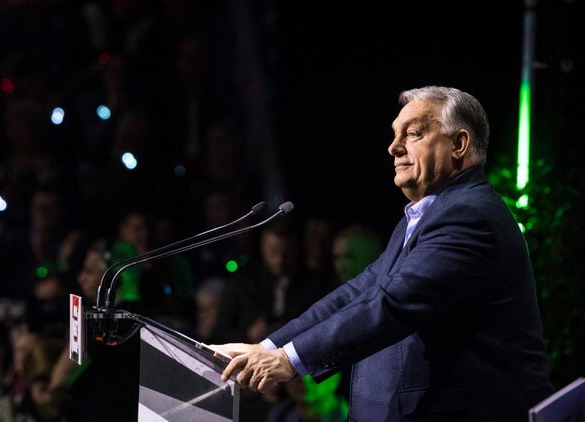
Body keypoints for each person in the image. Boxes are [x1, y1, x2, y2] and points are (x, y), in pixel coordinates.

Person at [213, 86, 554, 421]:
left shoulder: (469, 216)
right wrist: (269, 347)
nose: (394, 147)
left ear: (458, 144)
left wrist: (289, 359)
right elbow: (356, 292)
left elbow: (393, 304)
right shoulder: (424, 216)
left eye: (413, 133)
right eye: (395, 134)